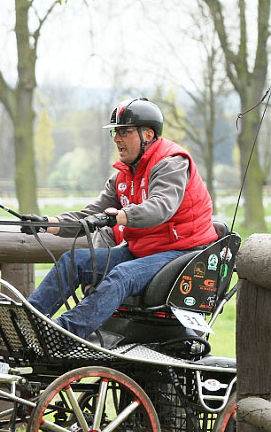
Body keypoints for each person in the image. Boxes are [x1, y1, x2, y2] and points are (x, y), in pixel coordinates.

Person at [20, 97, 219, 343]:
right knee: (74, 261)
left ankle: (62, 334)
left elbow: (161, 207)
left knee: (122, 275)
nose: (116, 139)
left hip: (182, 252)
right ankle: (26, 323)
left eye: (124, 132)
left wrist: (120, 216)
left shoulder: (171, 163)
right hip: (144, 250)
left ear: (148, 135)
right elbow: (89, 214)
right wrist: (47, 224)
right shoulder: (123, 175)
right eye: (115, 132)